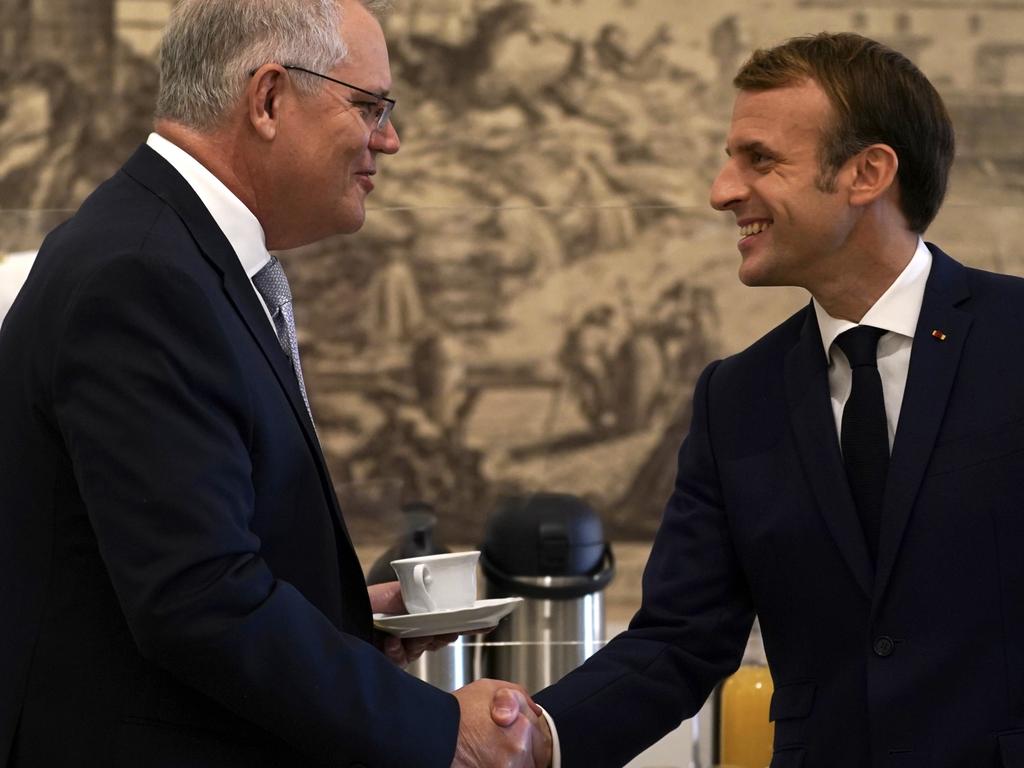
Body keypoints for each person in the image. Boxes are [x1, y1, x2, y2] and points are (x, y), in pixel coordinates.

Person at [0, 1, 549, 766]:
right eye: (369, 106)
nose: (388, 139)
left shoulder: (163, 248)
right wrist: (438, 732)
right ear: (267, 99)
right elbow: (199, 599)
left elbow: (186, 550)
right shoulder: (143, 274)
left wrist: (344, 622)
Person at [533, 32, 1024, 767]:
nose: (722, 191)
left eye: (759, 159)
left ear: (867, 173)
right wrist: (529, 735)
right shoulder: (734, 397)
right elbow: (680, 640)